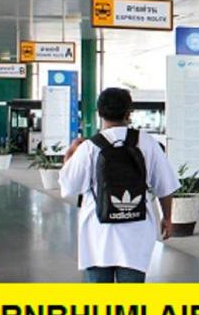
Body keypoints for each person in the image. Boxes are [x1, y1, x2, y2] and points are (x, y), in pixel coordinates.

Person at [59, 87, 180, 283]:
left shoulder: (89, 147)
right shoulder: (147, 142)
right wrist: (168, 218)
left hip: (97, 233)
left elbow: (70, 186)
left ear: (99, 113)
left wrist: (69, 154)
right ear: (128, 113)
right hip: (136, 232)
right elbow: (165, 187)